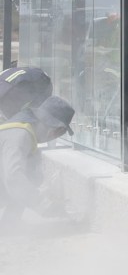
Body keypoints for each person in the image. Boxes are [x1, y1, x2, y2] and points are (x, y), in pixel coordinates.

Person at [0, 95, 76, 227]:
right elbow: (14, 177)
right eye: (60, 131)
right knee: (24, 178)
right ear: (53, 128)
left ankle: (9, 223)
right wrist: (44, 205)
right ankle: (9, 224)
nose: (56, 135)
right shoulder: (19, 134)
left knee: (32, 175)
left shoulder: (21, 129)